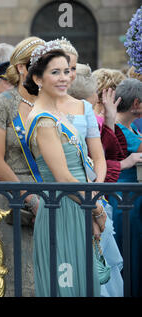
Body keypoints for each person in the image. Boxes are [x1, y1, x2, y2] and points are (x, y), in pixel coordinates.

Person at [24, 43, 104, 296]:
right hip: (63, 209)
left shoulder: (55, 113)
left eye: (67, 71)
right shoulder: (44, 120)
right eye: (55, 72)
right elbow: (63, 178)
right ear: (37, 78)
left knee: (82, 285)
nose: (64, 78)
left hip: (77, 206)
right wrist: (97, 209)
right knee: (67, 286)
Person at [0, 36, 44, 297]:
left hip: (47, 193)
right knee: (15, 275)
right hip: (7, 195)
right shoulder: (1, 103)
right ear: (21, 68)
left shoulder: (51, 103)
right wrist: (28, 196)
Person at [68, 63, 125, 297]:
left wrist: (95, 198)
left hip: (91, 192)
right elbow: (111, 160)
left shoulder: (90, 115)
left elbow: (103, 160)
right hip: (72, 194)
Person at [56, 38, 107, 185]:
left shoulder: (85, 107)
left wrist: (97, 188)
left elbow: (98, 157)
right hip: (49, 190)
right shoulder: (38, 105)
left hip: (86, 188)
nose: (69, 74)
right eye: (63, 68)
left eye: (73, 68)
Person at [109, 78, 142, 297]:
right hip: (124, 204)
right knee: (128, 254)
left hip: (132, 202)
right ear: (136, 104)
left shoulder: (129, 129)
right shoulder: (119, 131)